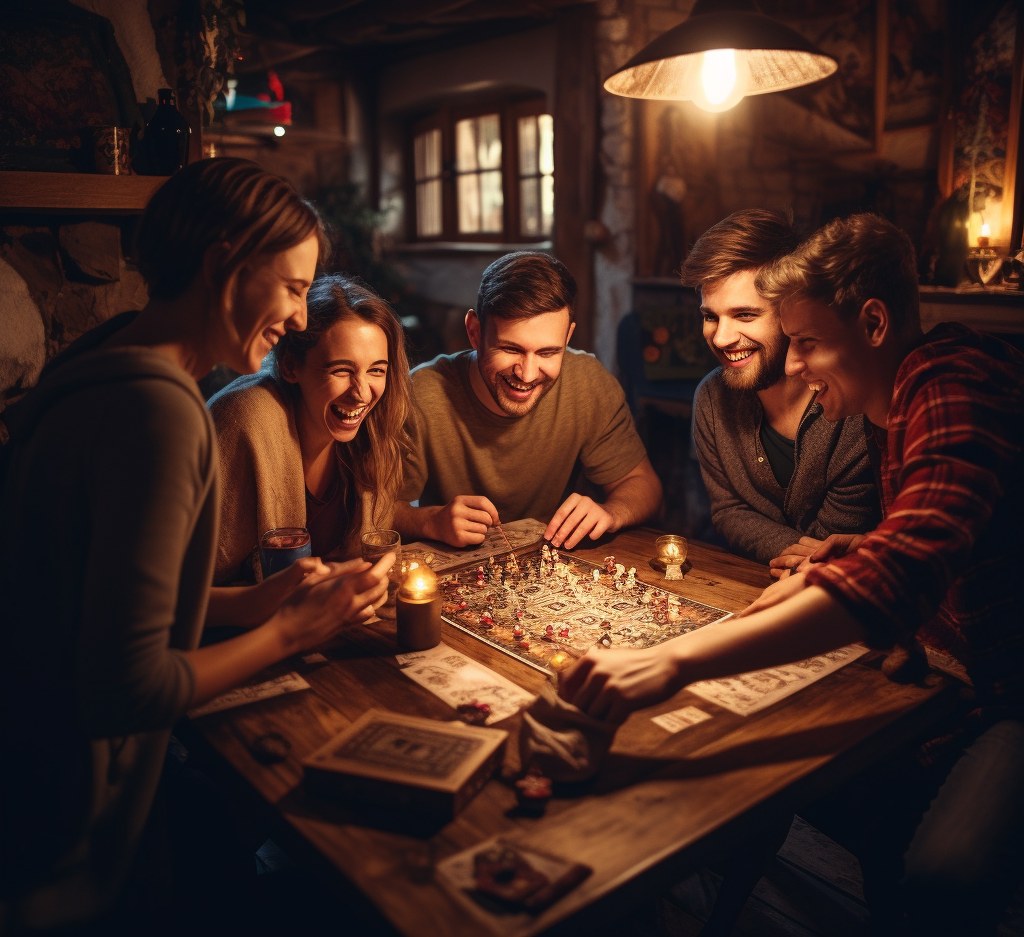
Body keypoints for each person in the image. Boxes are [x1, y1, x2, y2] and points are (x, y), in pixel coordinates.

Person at [563, 213, 1024, 934]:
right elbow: (901, 542)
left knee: (944, 877)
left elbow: (907, 564)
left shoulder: (949, 381)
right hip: (957, 681)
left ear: (872, 323)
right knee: (762, 770)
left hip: (1009, 693)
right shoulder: (892, 404)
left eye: (807, 342)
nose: (799, 367)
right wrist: (837, 557)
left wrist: (673, 661)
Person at [0, 159, 393, 932]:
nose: (299, 319)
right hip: (68, 802)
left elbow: (99, 602)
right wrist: (291, 630)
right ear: (224, 264)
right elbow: (125, 688)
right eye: (289, 288)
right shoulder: (161, 413)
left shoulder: (97, 359)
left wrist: (255, 600)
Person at [394, 251, 662, 550]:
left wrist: (611, 513)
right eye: (511, 349)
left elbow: (643, 484)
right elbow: (373, 511)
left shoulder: (588, 383)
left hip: (555, 571)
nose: (527, 374)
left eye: (548, 353)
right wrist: (429, 521)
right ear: (474, 332)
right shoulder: (420, 392)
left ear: (568, 335)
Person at [684, 209, 879, 573]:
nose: (721, 338)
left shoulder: (851, 407)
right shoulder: (711, 399)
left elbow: (832, 546)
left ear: (792, 313)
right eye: (710, 316)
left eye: (745, 315)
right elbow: (728, 511)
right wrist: (794, 553)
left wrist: (806, 559)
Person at [207, 275, 410, 604]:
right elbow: (184, 589)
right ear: (290, 366)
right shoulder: (245, 420)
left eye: (376, 370)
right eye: (341, 370)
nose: (361, 393)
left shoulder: (372, 439)